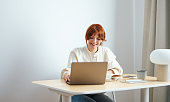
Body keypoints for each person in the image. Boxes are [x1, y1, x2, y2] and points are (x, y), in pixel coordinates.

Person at [62, 24, 123, 102]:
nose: (94, 41)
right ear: (87, 38)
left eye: (98, 39)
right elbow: (67, 71)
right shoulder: (76, 52)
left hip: (96, 93)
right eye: (91, 38)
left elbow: (118, 70)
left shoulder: (106, 52)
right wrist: (67, 75)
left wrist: (105, 73)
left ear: (101, 40)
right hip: (77, 92)